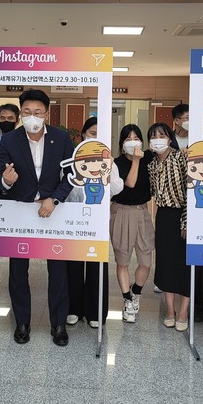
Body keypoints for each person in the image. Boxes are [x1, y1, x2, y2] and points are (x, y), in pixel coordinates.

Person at [0, 89, 75, 346]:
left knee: (59, 271)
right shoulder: (10, 140)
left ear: (47, 114)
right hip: (21, 210)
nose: (33, 117)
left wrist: (55, 199)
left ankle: (58, 324)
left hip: (53, 209)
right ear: (21, 114)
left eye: (38, 112)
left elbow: (72, 175)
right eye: (27, 112)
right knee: (18, 270)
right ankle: (22, 322)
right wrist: (6, 181)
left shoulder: (61, 138)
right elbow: (0, 177)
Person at [66, 118, 123, 328]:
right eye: (92, 133)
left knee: (96, 267)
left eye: (99, 134)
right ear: (83, 134)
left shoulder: (109, 161)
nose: (95, 137)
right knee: (73, 266)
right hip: (73, 220)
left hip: (97, 221)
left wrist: (104, 173)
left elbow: (117, 188)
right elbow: (65, 188)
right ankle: (73, 309)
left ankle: (95, 312)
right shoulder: (72, 159)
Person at [147, 123, 191, 332]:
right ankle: (170, 311)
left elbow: (190, 191)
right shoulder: (151, 164)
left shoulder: (181, 158)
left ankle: (183, 312)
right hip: (163, 216)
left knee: (184, 264)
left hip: (182, 214)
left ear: (169, 138)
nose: (158, 139)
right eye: (153, 136)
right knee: (166, 263)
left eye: (161, 135)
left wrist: (186, 221)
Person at [111, 125, 155, 324]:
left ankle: (135, 292)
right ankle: (127, 300)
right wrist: (136, 161)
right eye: (128, 139)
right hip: (122, 211)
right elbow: (130, 183)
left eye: (136, 138)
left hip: (142, 211)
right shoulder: (117, 163)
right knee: (123, 260)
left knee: (146, 261)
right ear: (122, 143)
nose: (133, 142)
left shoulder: (149, 158)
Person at [0, 103, 20, 294]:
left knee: (16, 239)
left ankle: (16, 282)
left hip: (17, 196)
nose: (6, 121)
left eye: (10, 118)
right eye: (2, 118)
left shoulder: (23, 140)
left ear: (17, 120)